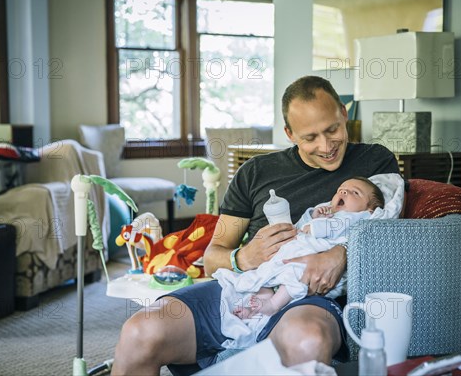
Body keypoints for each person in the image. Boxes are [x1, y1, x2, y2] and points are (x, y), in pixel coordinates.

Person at [111, 75, 400, 375]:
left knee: (306, 341)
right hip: (241, 287)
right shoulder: (254, 173)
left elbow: (389, 228)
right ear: (289, 133)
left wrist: (342, 253)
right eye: (310, 137)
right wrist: (243, 257)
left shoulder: (374, 163)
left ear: (343, 112)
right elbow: (212, 258)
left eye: (332, 130)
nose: (326, 146)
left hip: (309, 298)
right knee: (139, 333)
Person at [218, 176, 385, 326]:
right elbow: (300, 226)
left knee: (294, 274)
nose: (344, 192)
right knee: (265, 274)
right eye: (340, 190)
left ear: (370, 209)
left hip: (315, 261)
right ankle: (257, 309)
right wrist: (313, 215)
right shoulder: (329, 211)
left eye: (354, 192)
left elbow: (328, 228)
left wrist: (316, 225)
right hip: (294, 252)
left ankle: (274, 305)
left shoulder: (359, 217)